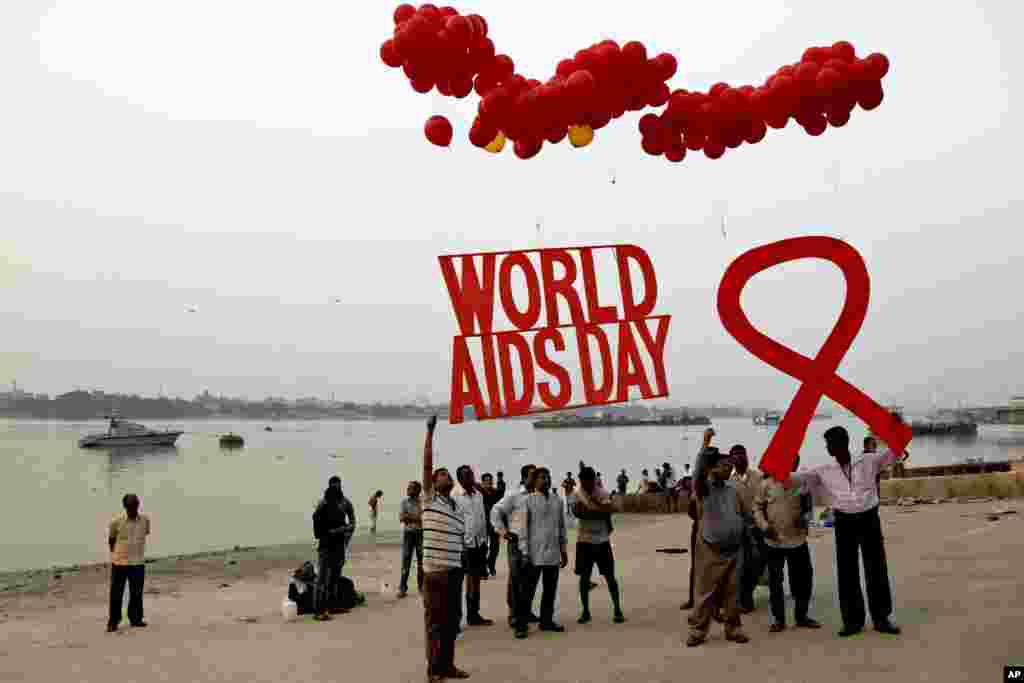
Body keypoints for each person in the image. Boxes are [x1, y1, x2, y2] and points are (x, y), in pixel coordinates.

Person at [801, 425, 908, 638]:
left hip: (869, 517)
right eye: (828, 444)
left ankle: (881, 618)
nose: (829, 448)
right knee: (847, 571)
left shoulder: (869, 460)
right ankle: (852, 621)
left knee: (876, 567)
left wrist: (893, 428)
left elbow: (895, 452)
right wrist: (777, 470)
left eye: (831, 443)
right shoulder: (823, 469)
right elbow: (797, 480)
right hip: (844, 521)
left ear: (844, 443)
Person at [420, 416, 470, 682]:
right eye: (441, 474)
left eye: (448, 475)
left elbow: (460, 541)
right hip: (435, 573)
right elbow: (427, 463)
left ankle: (448, 666)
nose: (446, 476)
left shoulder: (457, 509)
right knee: (435, 625)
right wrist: (430, 433)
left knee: (452, 624)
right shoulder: (429, 498)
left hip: (454, 572)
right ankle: (434, 670)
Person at [686, 442, 750, 647]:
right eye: (724, 465)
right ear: (711, 468)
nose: (729, 468)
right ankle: (698, 631)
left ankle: (733, 628)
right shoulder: (702, 487)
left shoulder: (732, 489)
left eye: (730, 466)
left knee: (733, 592)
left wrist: (746, 531)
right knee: (705, 593)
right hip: (710, 549)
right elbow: (697, 473)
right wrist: (705, 452)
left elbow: (743, 513)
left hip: (734, 549)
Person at [754, 454, 822, 632]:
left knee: (803, 580)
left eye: (794, 461)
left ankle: (802, 616)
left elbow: (808, 508)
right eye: (787, 460)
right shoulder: (765, 484)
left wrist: (805, 519)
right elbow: (757, 508)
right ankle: (779, 620)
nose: (791, 463)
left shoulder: (801, 482)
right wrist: (764, 526)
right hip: (773, 542)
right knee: (775, 582)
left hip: (797, 541)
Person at [516, 467, 568, 638]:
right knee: (527, 592)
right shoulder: (528, 500)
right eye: (541, 478)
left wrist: (563, 551)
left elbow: (561, 527)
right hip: (534, 554)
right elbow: (522, 529)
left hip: (553, 554)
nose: (545, 480)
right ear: (535, 481)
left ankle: (546, 621)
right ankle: (521, 625)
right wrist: (524, 552)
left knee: (550, 590)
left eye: (548, 477)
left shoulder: (557, 501)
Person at [569, 467, 625, 625]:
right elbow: (580, 513)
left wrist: (594, 506)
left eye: (589, 481)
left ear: (594, 479)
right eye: (584, 482)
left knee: (610, 577)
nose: (587, 485)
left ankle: (617, 609)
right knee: (584, 578)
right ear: (580, 481)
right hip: (584, 541)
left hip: (602, 541)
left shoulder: (602, 493)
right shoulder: (577, 495)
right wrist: (600, 510)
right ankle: (585, 611)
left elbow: (610, 510)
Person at [491, 464, 540, 629]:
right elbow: (496, 511)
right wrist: (503, 532)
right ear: (525, 477)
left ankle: (526, 611)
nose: (536, 477)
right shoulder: (514, 495)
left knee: (531, 579)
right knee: (516, 580)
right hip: (516, 544)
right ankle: (513, 614)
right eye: (533, 475)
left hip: (535, 545)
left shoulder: (539, 496)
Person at [456, 465, 495, 627]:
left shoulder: (479, 495)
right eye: (465, 476)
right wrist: (461, 543)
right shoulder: (457, 497)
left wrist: (486, 540)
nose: (470, 478)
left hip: (481, 543)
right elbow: (457, 522)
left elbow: (482, 517)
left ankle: (475, 613)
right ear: (459, 479)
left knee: (477, 579)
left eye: (471, 474)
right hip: (467, 545)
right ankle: (471, 615)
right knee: (470, 580)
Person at [729, 445, 766, 613]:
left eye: (741, 454)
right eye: (735, 456)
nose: (739, 458)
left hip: (760, 525)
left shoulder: (759, 477)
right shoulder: (729, 483)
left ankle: (747, 593)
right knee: (744, 565)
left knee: (760, 562)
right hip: (740, 529)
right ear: (731, 460)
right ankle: (745, 598)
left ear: (747, 456)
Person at [107, 494, 151, 633]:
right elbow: (111, 540)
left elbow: (145, 535)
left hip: (137, 562)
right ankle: (113, 621)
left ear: (139, 505)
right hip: (120, 562)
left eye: (136, 505)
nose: (134, 508)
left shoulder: (145, 521)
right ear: (125, 506)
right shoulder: (116, 522)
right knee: (116, 594)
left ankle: (136, 619)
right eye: (131, 505)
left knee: (136, 592)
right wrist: (115, 555)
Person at [682, 428, 714, 611]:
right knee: (696, 565)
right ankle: (692, 599)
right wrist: (705, 441)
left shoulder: (715, 481)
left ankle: (712, 604)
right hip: (699, 527)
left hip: (711, 527)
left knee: (712, 567)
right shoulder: (699, 482)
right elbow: (699, 462)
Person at [313, 485, 351, 620]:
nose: (339, 503)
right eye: (337, 500)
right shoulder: (320, 512)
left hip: (338, 548)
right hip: (326, 549)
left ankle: (332, 606)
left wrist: (346, 529)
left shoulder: (337, 511)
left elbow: (342, 525)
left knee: (335, 579)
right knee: (322, 580)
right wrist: (339, 530)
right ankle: (318, 611)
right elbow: (319, 534)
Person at [398, 481, 424, 598]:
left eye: (410, 488)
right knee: (406, 560)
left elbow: (424, 519)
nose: (408, 489)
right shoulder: (404, 502)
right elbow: (402, 518)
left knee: (421, 561)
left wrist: (410, 517)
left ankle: (422, 587)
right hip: (408, 534)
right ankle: (402, 588)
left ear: (417, 490)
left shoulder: (422, 502)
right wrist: (415, 518)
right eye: (408, 487)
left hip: (420, 533)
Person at [327, 476, 357, 570]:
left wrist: (348, 534)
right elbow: (318, 522)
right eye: (334, 487)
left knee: (338, 567)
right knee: (326, 568)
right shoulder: (325, 503)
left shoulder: (345, 502)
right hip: (327, 541)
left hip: (341, 540)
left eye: (338, 487)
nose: (337, 489)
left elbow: (353, 522)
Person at [481, 473, 503, 577]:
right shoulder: (480, 493)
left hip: (494, 523)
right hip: (483, 524)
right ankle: (483, 568)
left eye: (490, 480)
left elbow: (501, 491)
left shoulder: (495, 492)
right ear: (483, 482)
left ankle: (491, 565)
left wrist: (500, 479)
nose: (489, 482)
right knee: (483, 548)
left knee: (495, 547)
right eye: (486, 481)